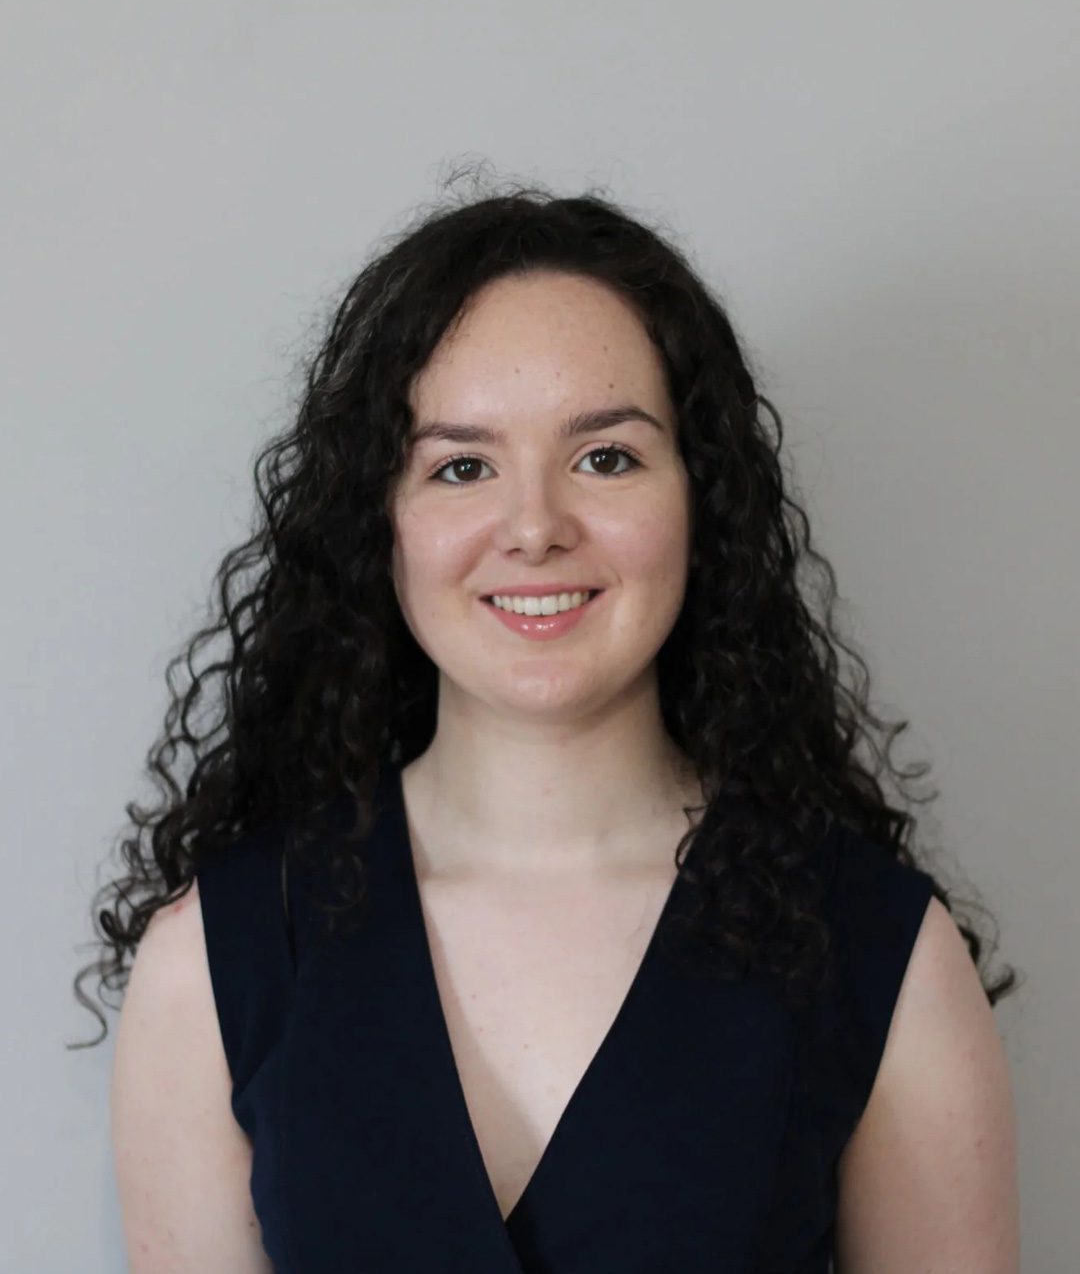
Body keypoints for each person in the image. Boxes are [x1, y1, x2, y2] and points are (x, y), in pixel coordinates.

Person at [71, 179, 1020, 1271]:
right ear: (379, 521)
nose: (533, 528)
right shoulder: (222, 957)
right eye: (462, 466)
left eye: (605, 457)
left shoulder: (878, 947)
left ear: (701, 501)